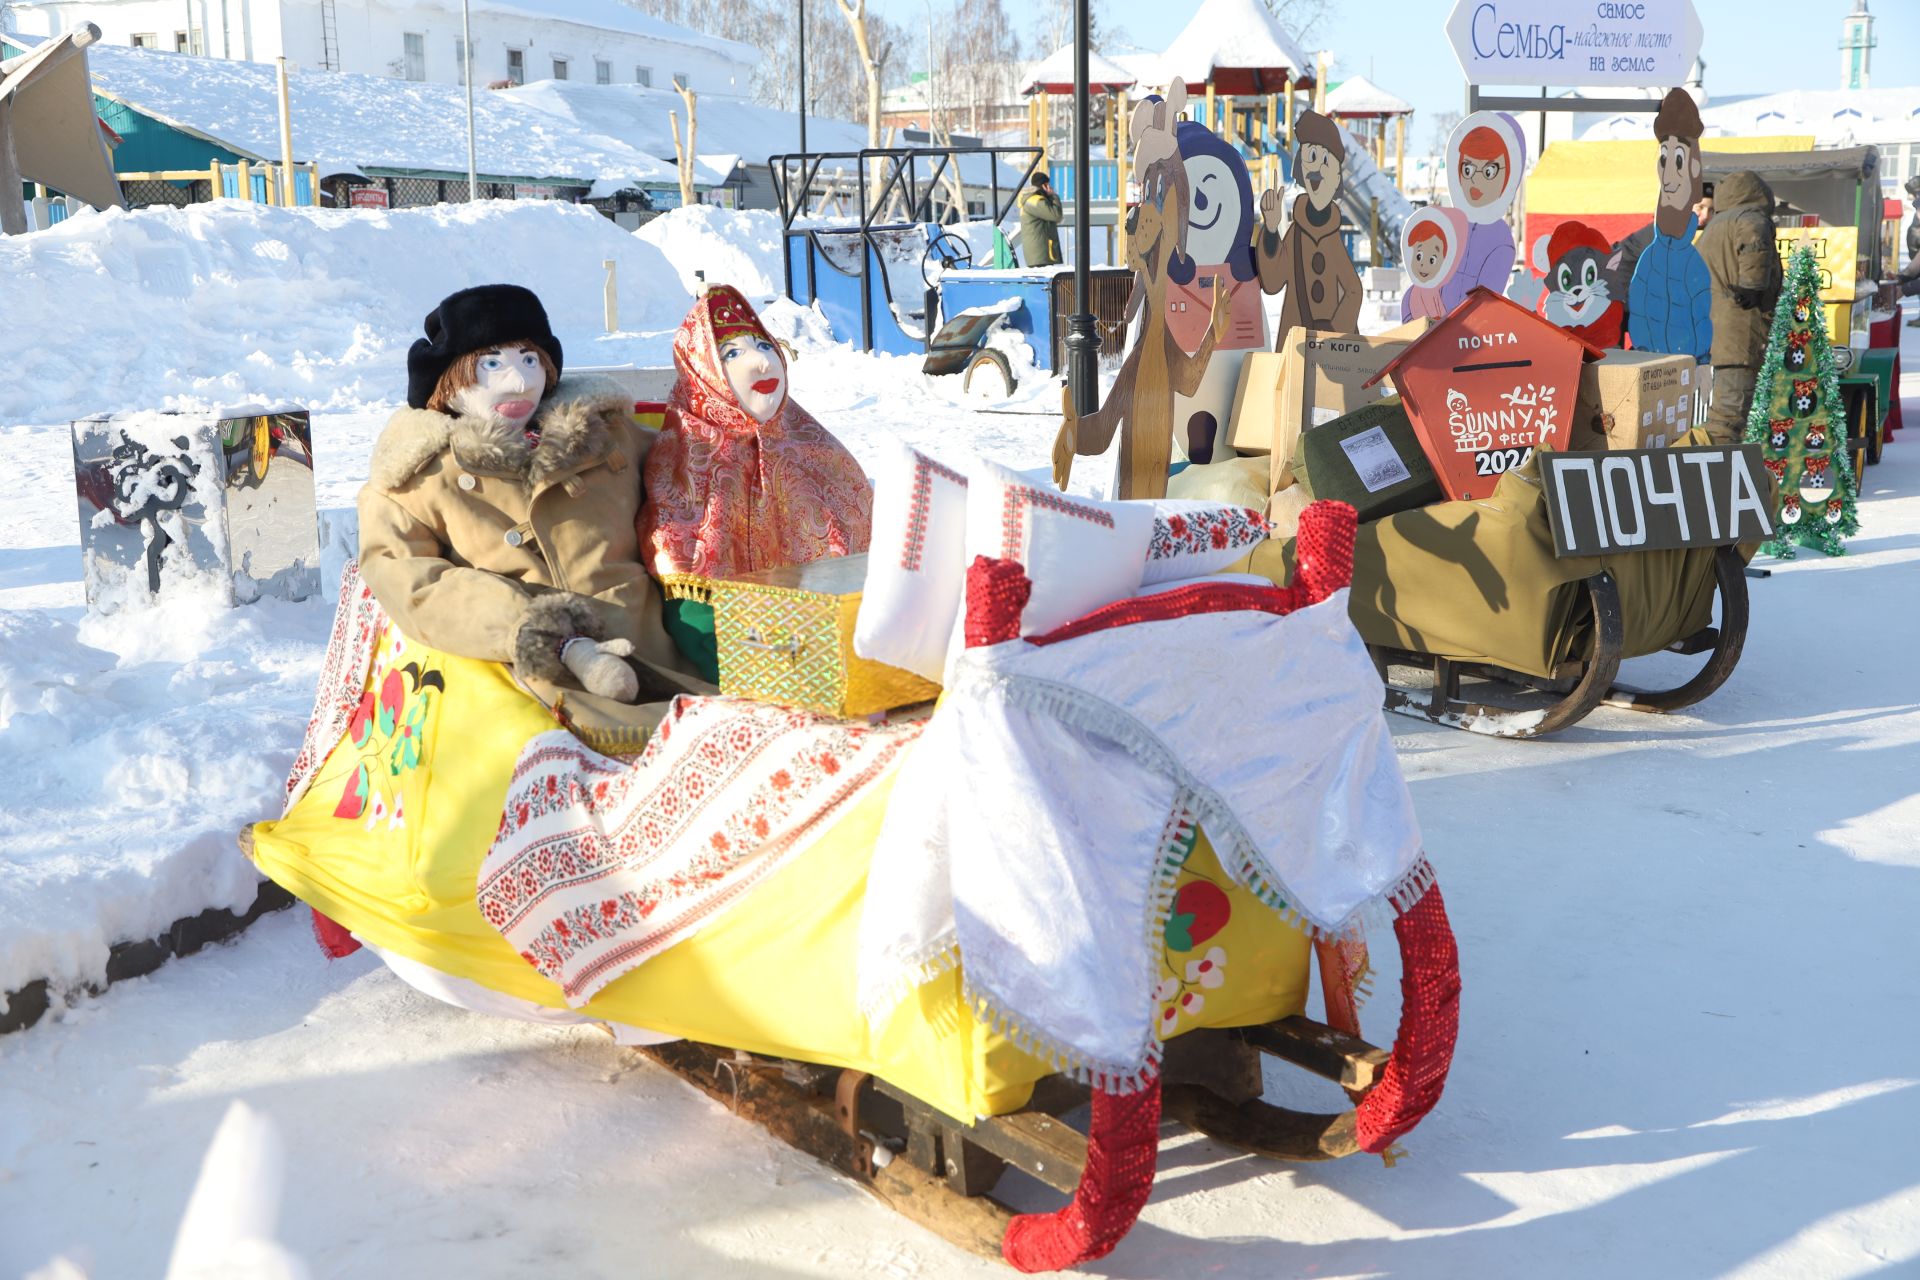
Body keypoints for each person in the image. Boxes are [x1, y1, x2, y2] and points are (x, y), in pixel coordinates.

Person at [356, 283, 707, 743]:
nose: (519, 381)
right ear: (448, 380)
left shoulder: (608, 435)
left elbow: (695, 479)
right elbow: (413, 581)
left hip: (658, 650)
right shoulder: (413, 480)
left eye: (529, 360)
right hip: (532, 680)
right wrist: (532, 628)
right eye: (492, 364)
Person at [638, 284, 873, 680]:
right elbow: (693, 614)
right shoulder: (686, 470)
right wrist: (780, 670)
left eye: (763, 346)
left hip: (853, 644)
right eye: (731, 354)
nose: (761, 364)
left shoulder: (817, 448)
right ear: (703, 372)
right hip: (754, 664)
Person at [1256, 108, 1363, 349]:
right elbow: (1272, 282)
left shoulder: (1333, 239)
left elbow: (1353, 290)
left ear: (1337, 178)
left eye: (1326, 162)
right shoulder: (1296, 234)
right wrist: (1271, 230)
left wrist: (1334, 333)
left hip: (1333, 354)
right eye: (1311, 158)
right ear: (1301, 169)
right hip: (1298, 346)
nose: (1317, 171)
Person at [1695, 170, 1783, 444]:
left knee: (1730, 407)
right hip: (1739, 328)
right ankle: (1718, 472)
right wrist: (1753, 285)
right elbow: (1754, 239)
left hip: (1716, 325)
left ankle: (1726, 469)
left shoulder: (1715, 224)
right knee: (1730, 412)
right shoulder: (1749, 217)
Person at [1627, 89, 1713, 361]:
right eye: (1665, 159)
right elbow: (1639, 313)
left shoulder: (1692, 263)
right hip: (1650, 370)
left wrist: (1701, 363)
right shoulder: (1649, 256)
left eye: (1679, 161)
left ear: (1694, 170)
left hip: (1681, 370)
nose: (1670, 177)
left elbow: (1700, 317)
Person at [1019, 171, 1063, 267]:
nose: (1049, 187)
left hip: (1039, 254)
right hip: (1040, 254)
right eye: (1047, 185)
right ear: (1043, 186)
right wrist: (1053, 196)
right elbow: (1056, 215)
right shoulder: (1036, 201)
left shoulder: (1034, 200)